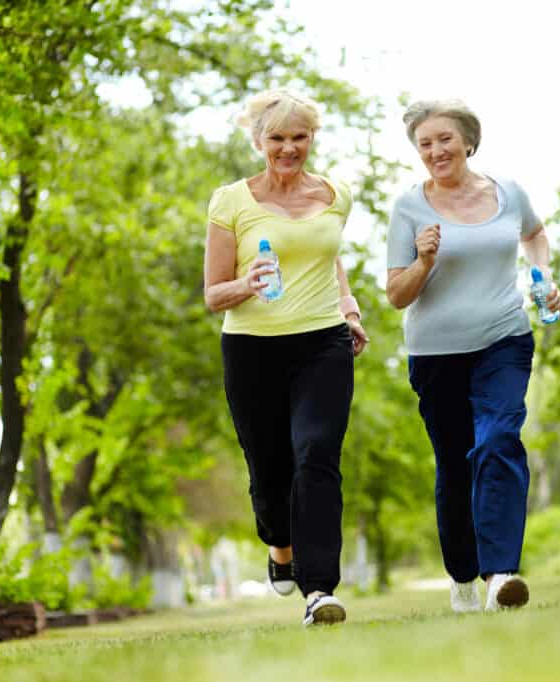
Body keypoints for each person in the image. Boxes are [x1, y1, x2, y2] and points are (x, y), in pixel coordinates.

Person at [385, 99, 560, 613]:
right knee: (454, 466)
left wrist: (543, 276)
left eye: (444, 139)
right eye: (425, 144)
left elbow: (535, 234)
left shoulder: (509, 194)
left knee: (499, 440)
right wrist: (423, 260)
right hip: (435, 352)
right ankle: (463, 574)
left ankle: (501, 573)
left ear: (468, 141)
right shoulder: (408, 207)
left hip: (504, 338)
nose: (436, 151)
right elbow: (397, 294)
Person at [203, 88, 368, 626]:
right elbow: (212, 295)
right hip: (251, 350)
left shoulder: (336, 195)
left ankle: (319, 589)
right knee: (269, 470)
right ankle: (279, 546)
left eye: (299, 137)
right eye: (277, 138)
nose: (289, 148)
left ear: (312, 138)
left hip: (322, 342)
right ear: (258, 141)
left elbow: (327, 256)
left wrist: (349, 309)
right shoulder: (231, 201)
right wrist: (246, 284)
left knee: (317, 453)